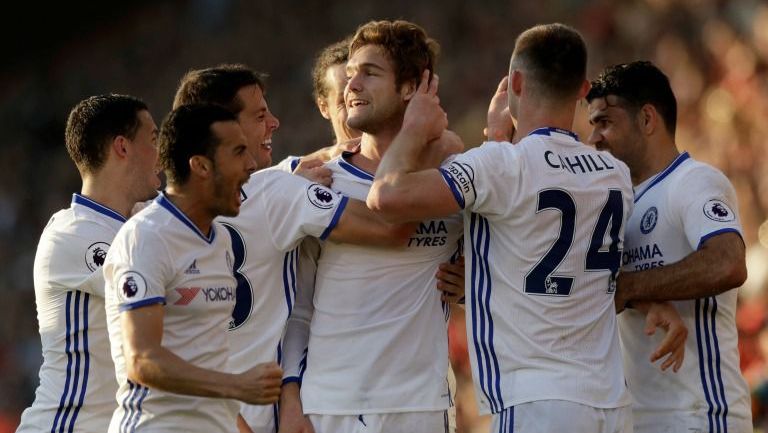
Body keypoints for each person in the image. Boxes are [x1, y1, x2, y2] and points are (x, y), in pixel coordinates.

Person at [366, 23, 687, 433]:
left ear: (515, 81)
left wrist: (415, 127)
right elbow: (546, 234)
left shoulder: (502, 164)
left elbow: (386, 197)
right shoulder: (613, 173)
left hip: (539, 399)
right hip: (609, 400)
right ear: (582, 89)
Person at [173, 64, 459, 433]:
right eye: (260, 115)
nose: (274, 123)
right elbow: (390, 226)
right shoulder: (279, 192)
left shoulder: (151, 222)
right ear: (221, 128)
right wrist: (430, 144)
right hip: (255, 417)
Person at [280, 20, 464, 433]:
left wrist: (471, 281)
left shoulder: (455, 179)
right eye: (349, 76)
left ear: (411, 88)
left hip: (421, 407)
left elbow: (498, 266)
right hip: (333, 407)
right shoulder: (319, 181)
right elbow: (296, 305)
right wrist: (290, 394)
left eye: (369, 73)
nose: (352, 86)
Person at [586, 60, 751, 433]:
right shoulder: (619, 202)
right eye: (592, 125)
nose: (594, 138)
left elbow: (727, 263)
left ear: (647, 119)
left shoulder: (693, 182)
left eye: (605, 122)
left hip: (701, 415)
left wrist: (630, 286)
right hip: (641, 419)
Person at [103, 104, 282, 432]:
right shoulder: (146, 238)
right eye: (238, 152)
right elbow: (142, 360)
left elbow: (208, 357)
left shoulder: (221, 241)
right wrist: (238, 385)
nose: (251, 164)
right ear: (200, 165)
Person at [16, 94, 160, 433]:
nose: (162, 153)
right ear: (122, 148)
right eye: (153, 140)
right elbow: (160, 286)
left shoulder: (140, 222)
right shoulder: (73, 232)